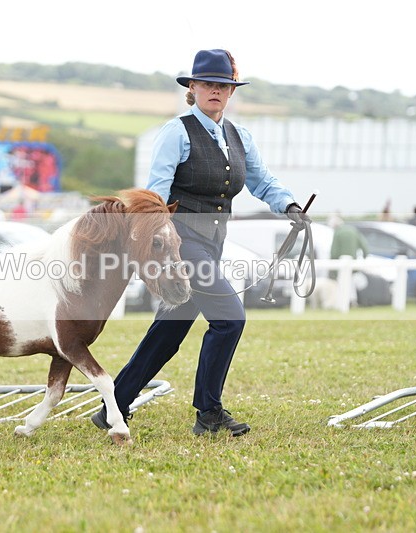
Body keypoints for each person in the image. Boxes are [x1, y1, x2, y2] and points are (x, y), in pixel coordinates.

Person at [91, 49, 310, 437]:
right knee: (230, 318)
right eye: (207, 84)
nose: (215, 91)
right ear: (192, 88)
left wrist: (289, 205)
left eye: (223, 85)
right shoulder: (176, 131)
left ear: (230, 92)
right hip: (181, 243)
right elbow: (155, 194)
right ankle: (208, 413)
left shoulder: (239, 136)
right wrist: (152, 247)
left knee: (169, 330)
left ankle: (115, 405)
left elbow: (262, 181)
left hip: (213, 242)